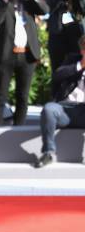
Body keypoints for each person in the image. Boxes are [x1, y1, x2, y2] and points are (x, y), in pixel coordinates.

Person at [0, 0, 49, 126]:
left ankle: (18, 130)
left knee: (22, 97)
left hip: (27, 55)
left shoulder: (26, 0)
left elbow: (44, 10)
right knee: (0, 96)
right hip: (6, 54)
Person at [35, 34, 85, 168]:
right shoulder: (72, 60)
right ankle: (48, 153)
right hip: (65, 109)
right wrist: (80, 65)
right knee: (49, 109)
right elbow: (57, 75)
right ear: (82, 50)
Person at [45, 0, 85, 89]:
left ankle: (75, 99)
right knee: (57, 68)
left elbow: (83, 10)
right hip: (57, 34)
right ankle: (56, 101)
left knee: (75, 67)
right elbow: (49, 4)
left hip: (76, 35)